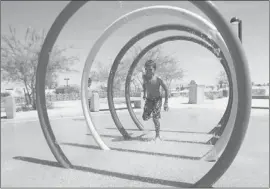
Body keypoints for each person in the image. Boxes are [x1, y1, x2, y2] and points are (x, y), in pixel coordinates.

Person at [142, 60, 169, 141]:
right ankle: (152, 114)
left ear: (154, 69)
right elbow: (144, 85)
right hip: (149, 99)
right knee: (145, 117)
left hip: (157, 100)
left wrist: (166, 103)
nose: (148, 71)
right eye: (146, 69)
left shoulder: (158, 79)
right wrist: (144, 93)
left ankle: (157, 136)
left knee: (155, 118)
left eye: (150, 69)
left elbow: (166, 90)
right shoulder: (144, 77)